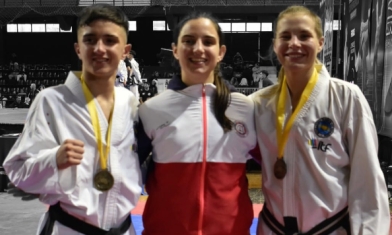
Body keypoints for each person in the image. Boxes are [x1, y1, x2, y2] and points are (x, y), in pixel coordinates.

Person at [250, 5, 390, 234]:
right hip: (272, 228)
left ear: (321, 42)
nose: (294, 43)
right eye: (285, 36)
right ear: (275, 45)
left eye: (304, 36)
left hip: (331, 228)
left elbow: (367, 183)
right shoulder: (258, 104)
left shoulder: (346, 97)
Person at [3, 4, 141, 235]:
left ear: (125, 50)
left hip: (124, 229)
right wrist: (52, 159)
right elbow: (17, 171)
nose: (99, 48)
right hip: (69, 228)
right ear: (78, 48)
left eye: (110, 40)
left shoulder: (130, 102)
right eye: (90, 40)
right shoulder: (51, 101)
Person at [137, 11, 257, 235]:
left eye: (208, 41)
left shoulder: (246, 108)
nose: (198, 48)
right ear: (175, 50)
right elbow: (126, 170)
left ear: (221, 52)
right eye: (189, 41)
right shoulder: (151, 110)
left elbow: (278, 167)